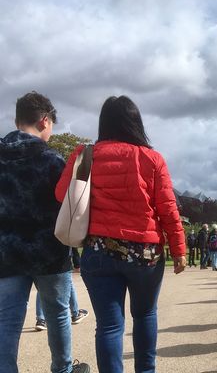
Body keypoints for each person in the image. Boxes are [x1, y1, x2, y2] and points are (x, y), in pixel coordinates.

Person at [55, 95, 186, 373]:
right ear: (135, 123)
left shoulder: (84, 155)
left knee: (110, 326)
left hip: (99, 250)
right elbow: (168, 209)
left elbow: (61, 195)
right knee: (146, 314)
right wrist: (179, 250)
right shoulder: (152, 158)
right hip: (145, 253)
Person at [0, 92, 90, 373]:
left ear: (17, 120)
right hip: (49, 251)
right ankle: (62, 369)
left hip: (7, 251)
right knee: (58, 314)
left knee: (7, 319)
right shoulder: (52, 160)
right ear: (44, 120)